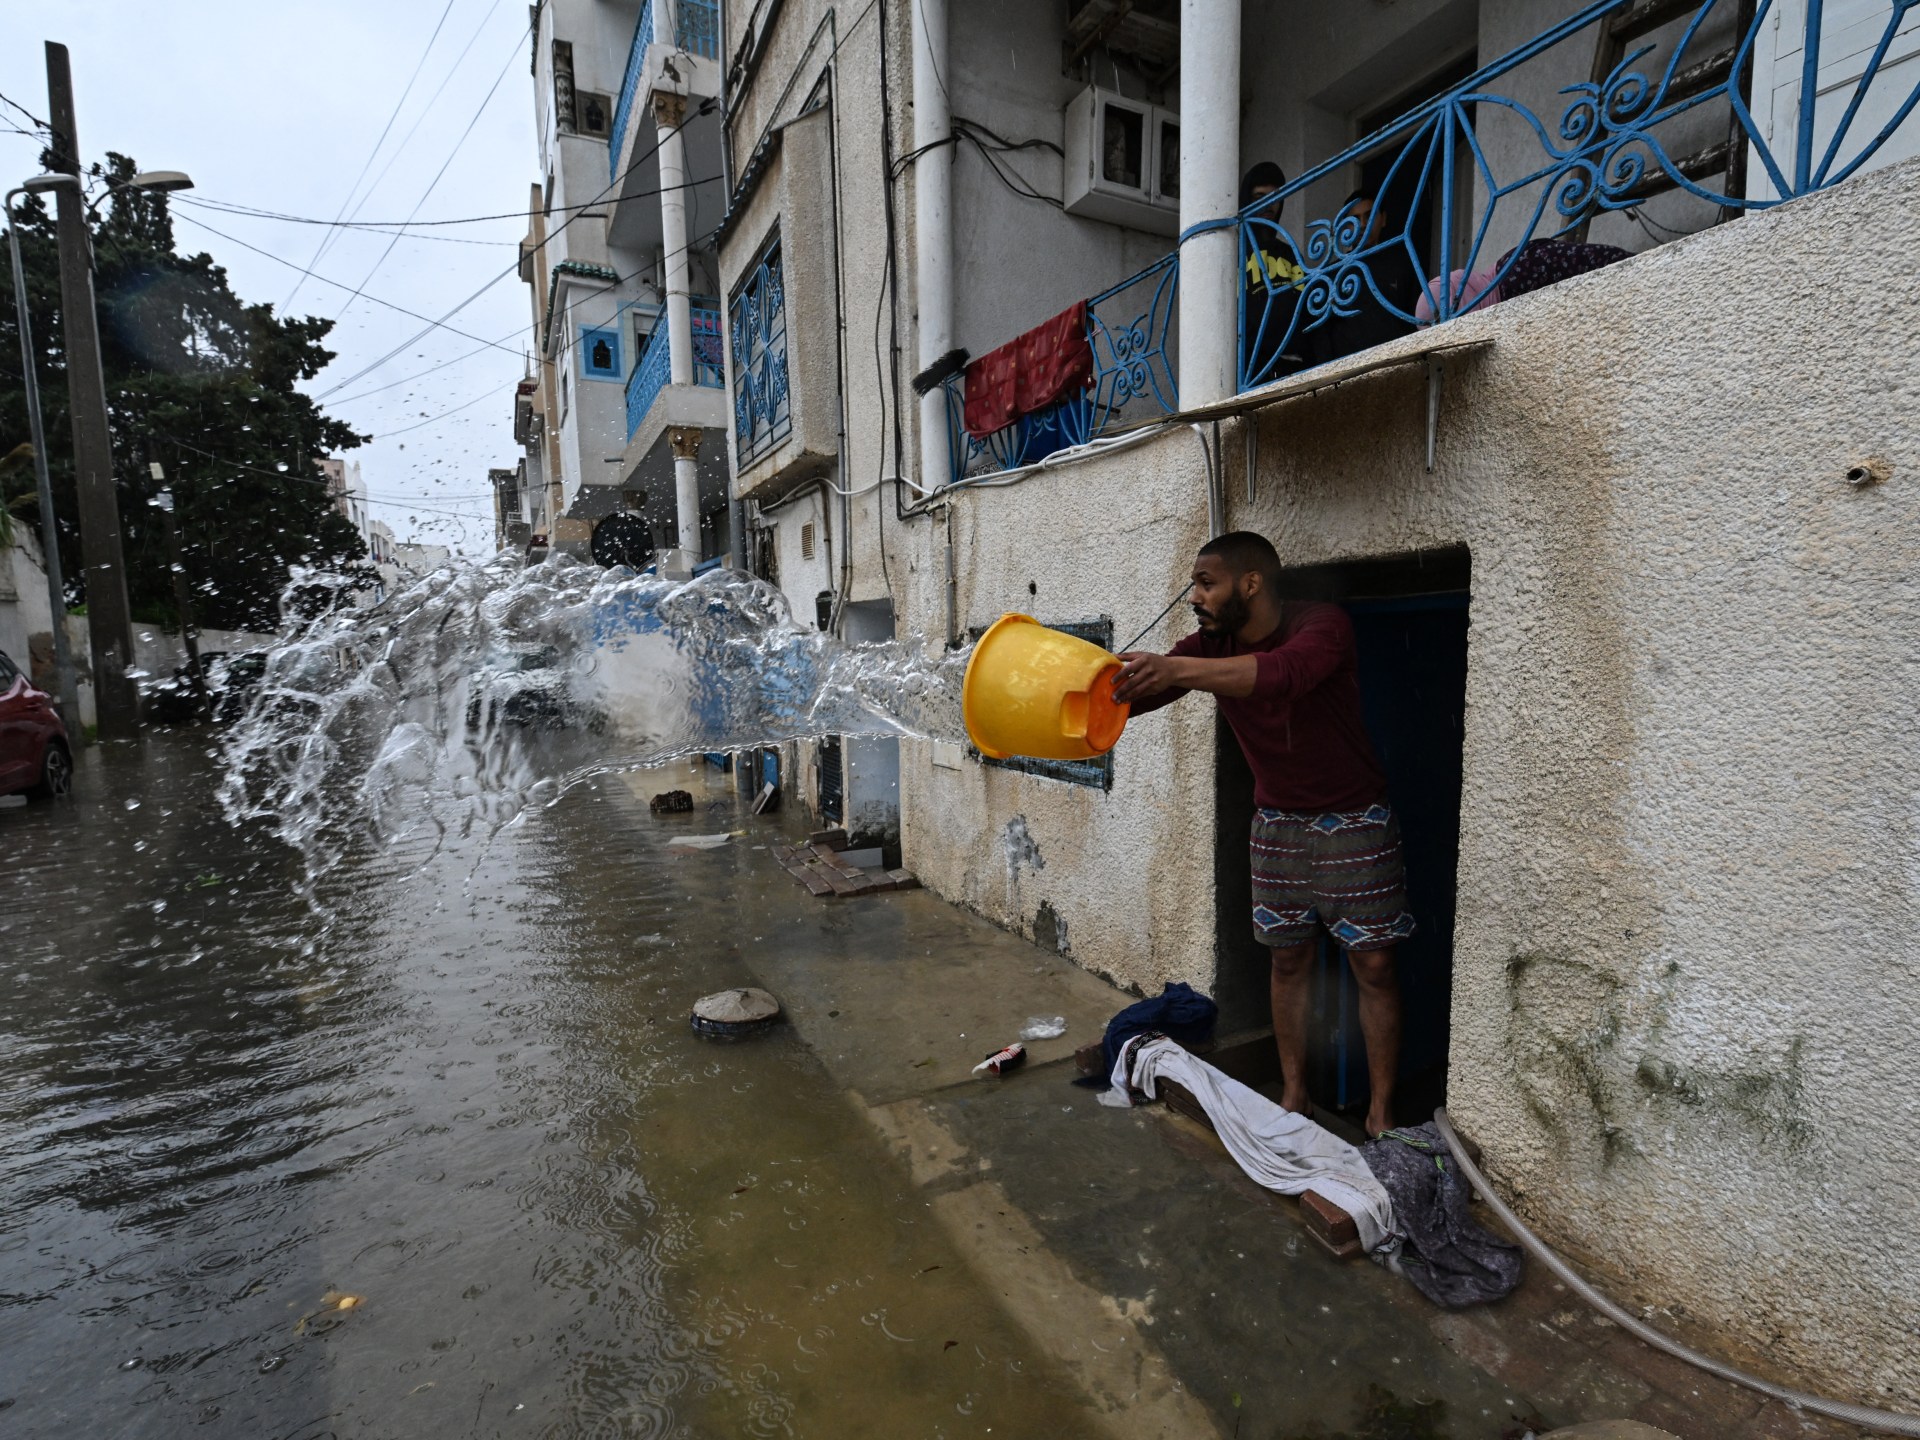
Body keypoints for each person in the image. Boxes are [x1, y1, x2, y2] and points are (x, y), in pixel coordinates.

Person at [1112, 532, 1414, 1137]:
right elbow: (1128, 695)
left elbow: (1283, 675)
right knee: (1287, 961)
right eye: (1194, 585)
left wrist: (1177, 668)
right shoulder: (1207, 646)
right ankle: (1294, 1094)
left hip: (1357, 822)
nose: (1194, 597)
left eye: (1206, 583)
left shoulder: (1321, 625)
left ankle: (1381, 1112)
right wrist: (1065, 695)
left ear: (1250, 583)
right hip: (1275, 825)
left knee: (1376, 965)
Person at [1239, 162, 1309, 384]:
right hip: (1251, 372)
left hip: (1294, 367)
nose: (1269, 204)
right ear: (1247, 200)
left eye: (1275, 197)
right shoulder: (1233, 253)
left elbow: (1306, 307)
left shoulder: (1289, 252)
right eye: (1259, 196)